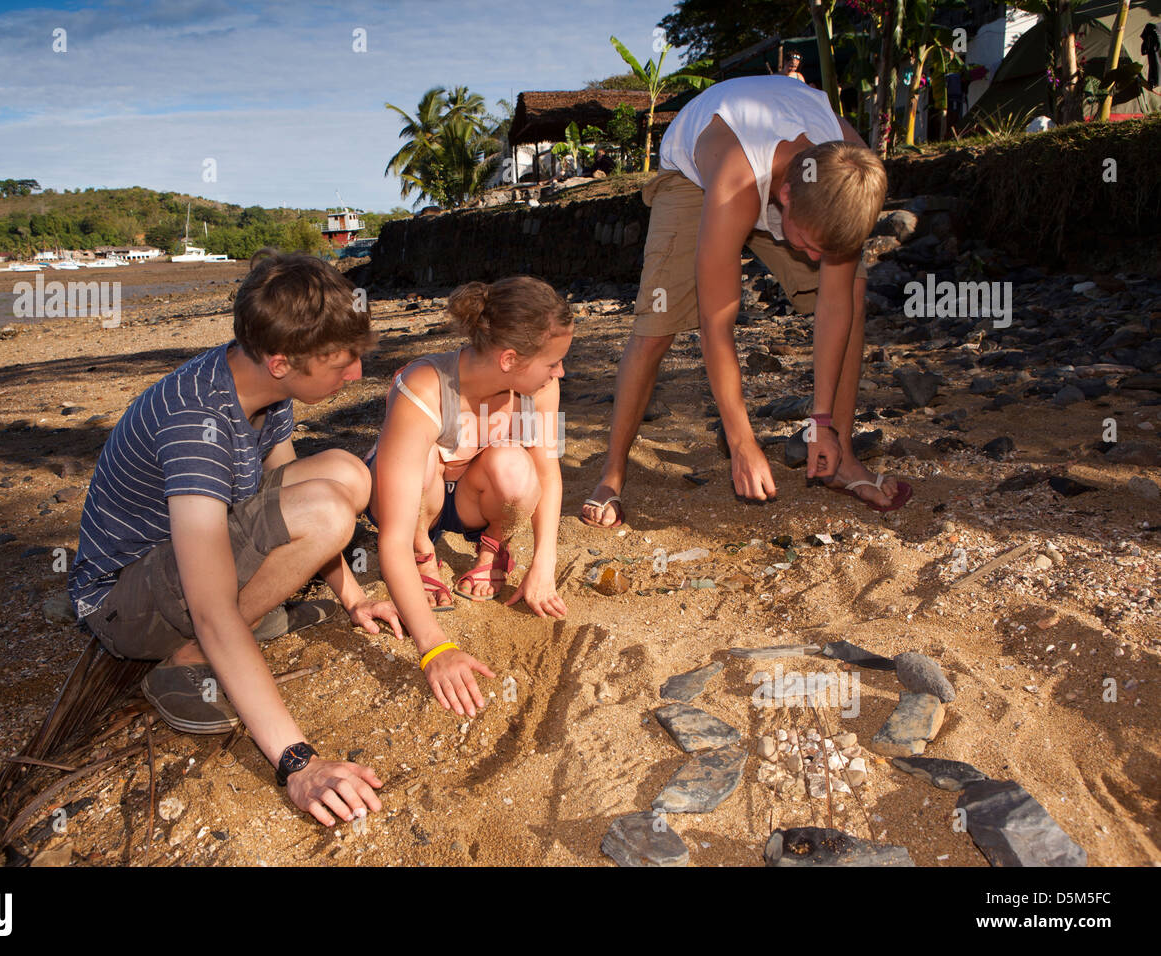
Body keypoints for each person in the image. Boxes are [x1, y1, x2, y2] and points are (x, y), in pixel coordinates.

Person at [69, 251, 401, 827]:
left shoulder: (259, 389)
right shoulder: (196, 422)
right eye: (342, 362)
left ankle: (253, 620)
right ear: (280, 361)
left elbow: (281, 496)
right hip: (123, 603)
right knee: (327, 509)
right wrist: (296, 763)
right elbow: (212, 604)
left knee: (345, 474)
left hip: (180, 563)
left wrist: (354, 597)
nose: (356, 375)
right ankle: (187, 661)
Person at [581, 74, 910, 529]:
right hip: (696, 178)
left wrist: (821, 421)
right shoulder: (735, 181)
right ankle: (611, 475)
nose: (813, 260)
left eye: (822, 252)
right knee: (657, 326)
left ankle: (843, 457)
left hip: (799, 184)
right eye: (809, 245)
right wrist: (741, 442)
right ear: (784, 200)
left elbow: (836, 308)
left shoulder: (849, 170)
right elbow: (718, 324)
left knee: (850, 289)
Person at [366, 277, 571, 718]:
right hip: (414, 501)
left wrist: (544, 567)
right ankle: (427, 556)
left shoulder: (540, 391)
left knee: (518, 467)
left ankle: (493, 546)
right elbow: (391, 538)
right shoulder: (421, 385)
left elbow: (548, 477)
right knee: (419, 465)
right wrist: (433, 646)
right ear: (510, 358)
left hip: (474, 501)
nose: (561, 373)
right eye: (553, 362)